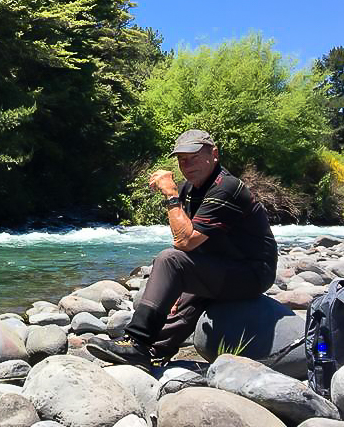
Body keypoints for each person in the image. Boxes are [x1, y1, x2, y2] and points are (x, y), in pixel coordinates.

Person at [87, 129, 278, 368]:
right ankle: (154, 350)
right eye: (181, 159)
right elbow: (191, 244)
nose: (187, 164)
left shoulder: (226, 187)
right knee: (184, 297)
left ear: (214, 154)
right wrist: (175, 287)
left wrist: (170, 194)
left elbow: (184, 241)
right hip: (223, 264)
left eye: (194, 156)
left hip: (254, 272)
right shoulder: (190, 190)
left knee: (169, 260)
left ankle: (136, 341)